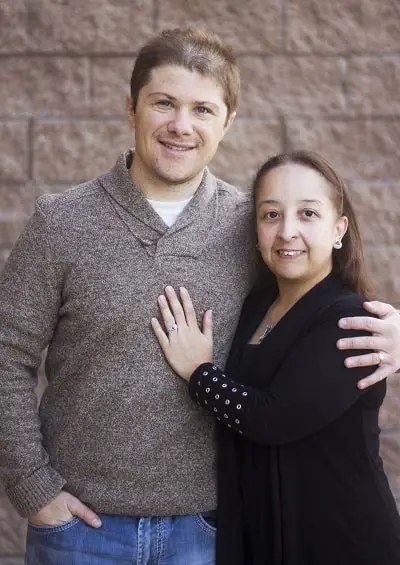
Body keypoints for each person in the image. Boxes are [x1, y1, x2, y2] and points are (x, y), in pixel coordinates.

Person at [0, 28, 399, 565]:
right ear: (131, 108)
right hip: (81, 531)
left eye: (203, 109)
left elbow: (314, 305)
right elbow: (8, 353)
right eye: (164, 103)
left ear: (227, 121)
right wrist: (35, 489)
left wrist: (395, 332)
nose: (181, 126)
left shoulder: (251, 226)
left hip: (210, 532)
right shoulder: (61, 223)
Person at [151, 150, 400, 565]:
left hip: (342, 542)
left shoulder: (350, 319)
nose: (287, 231)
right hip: (266, 536)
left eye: (307, 214)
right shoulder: (257, 306)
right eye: (271, 215)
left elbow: (272, 419)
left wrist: (199, 373)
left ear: (339, 229)